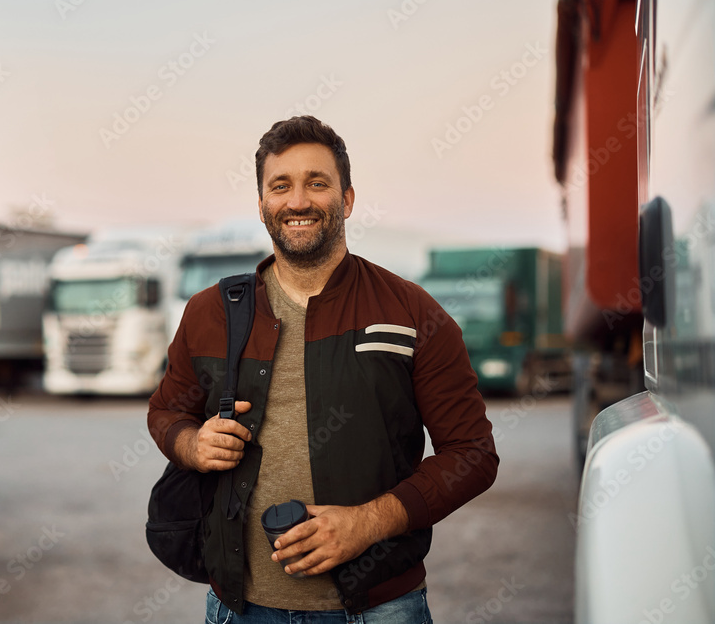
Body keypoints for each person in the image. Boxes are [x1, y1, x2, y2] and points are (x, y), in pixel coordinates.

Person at [147, 116, 498, 623]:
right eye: (280, 186)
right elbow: (165, 411)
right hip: (239, 609)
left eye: (317, 183)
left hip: (381, 607)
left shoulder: (413, 313)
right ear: (263, 205)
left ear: (348, 199)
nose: (298, 201)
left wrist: (367, 523)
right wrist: (192, 445)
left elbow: (474, 454)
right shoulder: (209, 312)